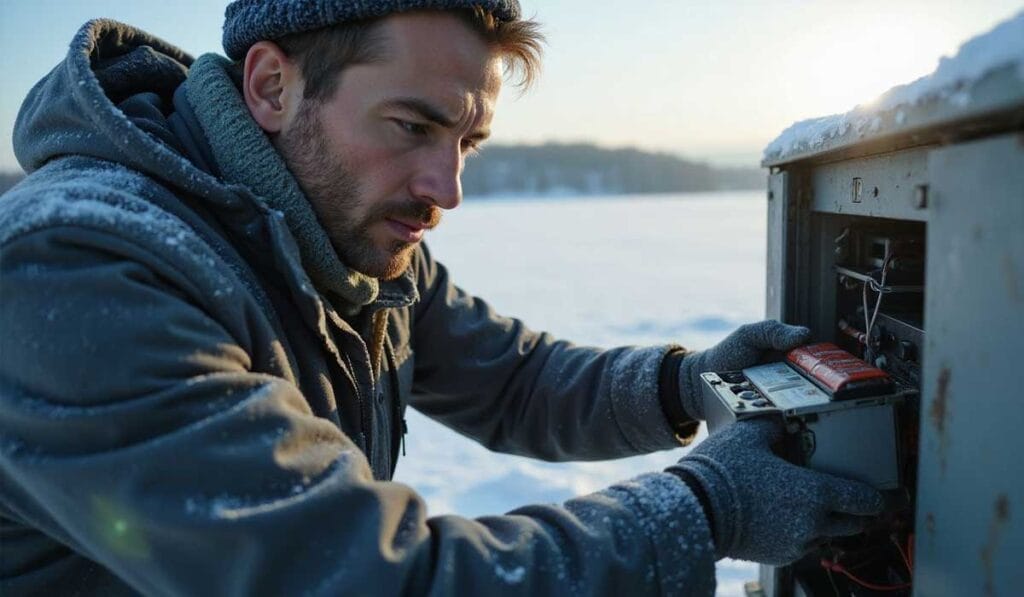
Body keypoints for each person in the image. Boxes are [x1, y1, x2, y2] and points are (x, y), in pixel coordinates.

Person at [0, 1, 884, 594]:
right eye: (413, 125)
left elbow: (514, 380)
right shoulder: (80, 272)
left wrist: (684, 384)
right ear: (271, 87)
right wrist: (702, 509)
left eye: (469, 139)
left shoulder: (338, 233)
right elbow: (361, 576)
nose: (447, 185)